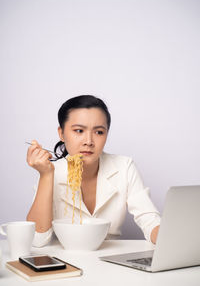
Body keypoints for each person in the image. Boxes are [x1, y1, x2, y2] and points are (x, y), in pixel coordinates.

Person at [26, 95, 160, 247]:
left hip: (110, 260)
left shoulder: (124, 166)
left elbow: (149, 220)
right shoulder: (50, 171)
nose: (88, 141)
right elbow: (37, 240)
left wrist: (167, 238)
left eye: (99, 132)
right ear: (62, 134)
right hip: (67, 260)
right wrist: (45, 175)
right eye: (79, 130)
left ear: (106, 134)